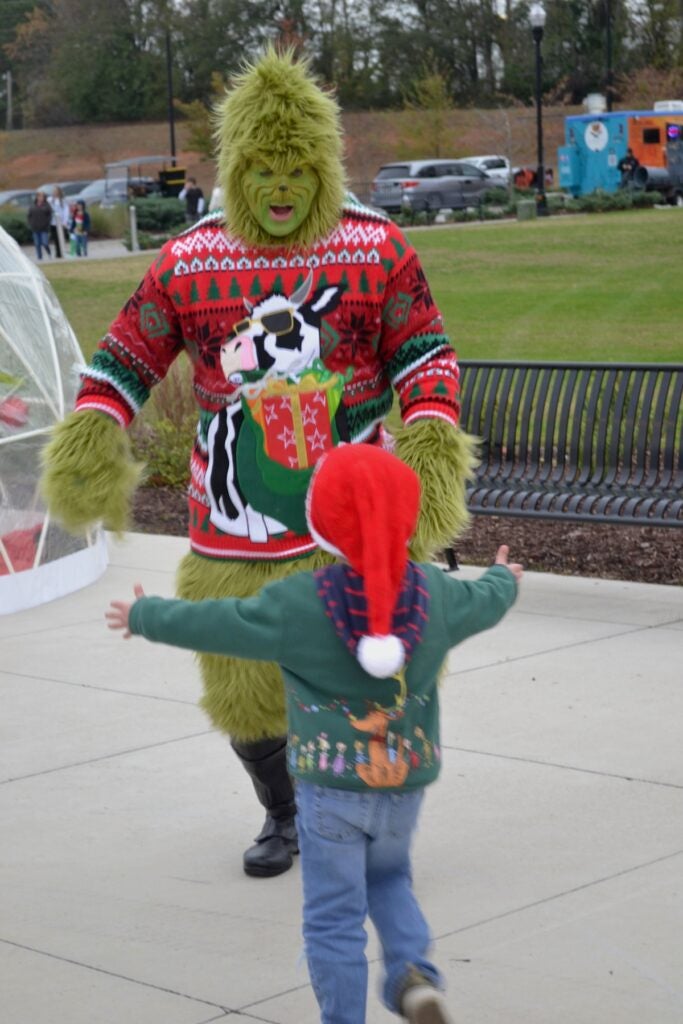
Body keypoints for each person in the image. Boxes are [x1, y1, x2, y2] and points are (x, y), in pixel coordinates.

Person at [41, 48, 477, 880]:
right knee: (241, 689)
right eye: (261, 169)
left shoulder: (376, 250)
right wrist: (96, 426)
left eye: (297, 169)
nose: (279, 187)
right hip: (232, 529)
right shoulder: (189, 260)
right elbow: (126, 353)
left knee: (365, 676)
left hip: (352, 519)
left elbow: (425, 354)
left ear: (324, 167)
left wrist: (428, 443)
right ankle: (285, 812)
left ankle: (347, 806)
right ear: (236, 170)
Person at [106, 443, 522, 1024]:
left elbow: (223, 622)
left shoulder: (299, 604)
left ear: (320, 525)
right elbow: (489, 598)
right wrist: (505, 575)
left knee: (333, 915)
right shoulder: (437, 592)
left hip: (328, 792)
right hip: (405, 784)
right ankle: (413, 976)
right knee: (391, 878)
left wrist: (147, 617)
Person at [27, 191, 52, 260]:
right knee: (37, 244)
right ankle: (39, 257)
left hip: (44, 228)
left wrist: (47, 224)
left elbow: (49, 216)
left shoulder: (47, 205)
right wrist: (30, 224)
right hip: (35, 228)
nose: (40, 198)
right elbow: (29, 216)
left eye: (42, 196)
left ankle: (49, 254)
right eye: (39, 196)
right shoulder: (33, 205)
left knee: (45, 243)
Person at [48, 186, 70, 258]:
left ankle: (62, 252)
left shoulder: (63, 201)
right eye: (54, 191)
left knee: (61, 238)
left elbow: (66, 212)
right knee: (55, 239)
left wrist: (65, 222)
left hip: (61, 223)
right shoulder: (50, 200)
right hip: (53, 223)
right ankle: (58, 253)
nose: (54, 192)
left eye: (56, 191)